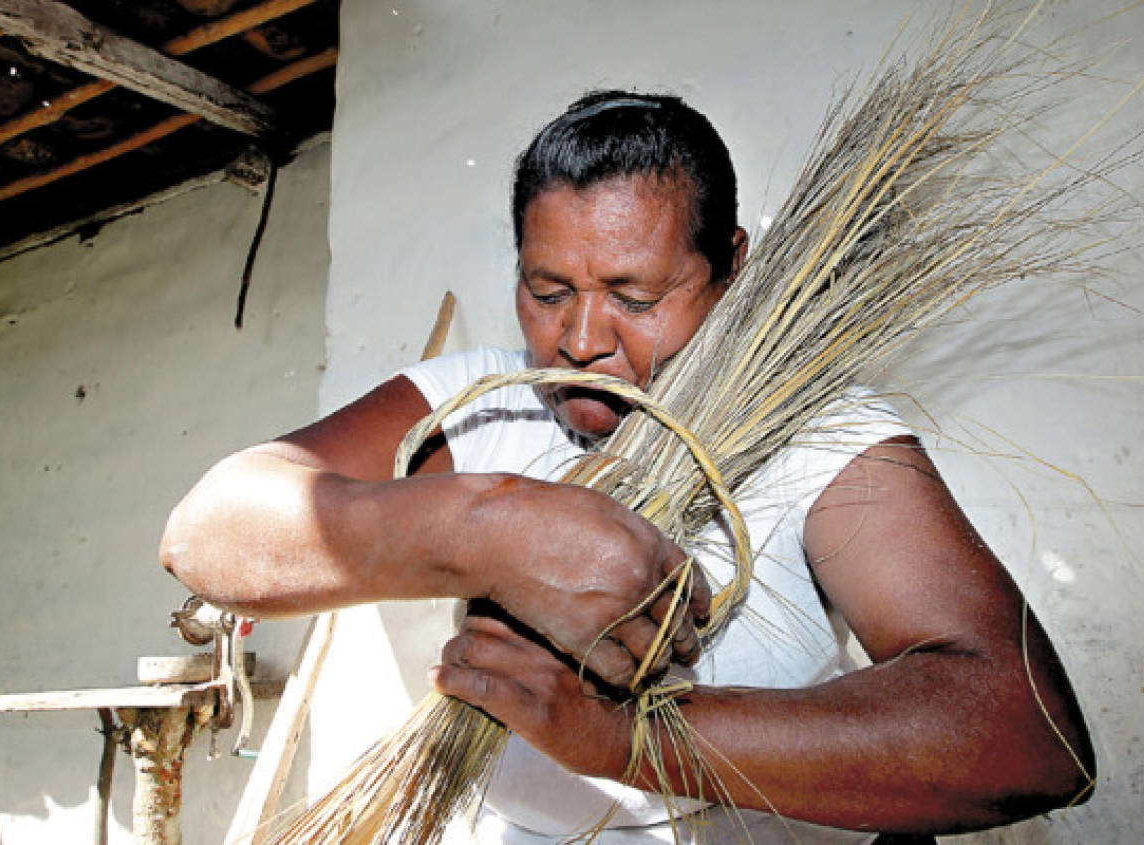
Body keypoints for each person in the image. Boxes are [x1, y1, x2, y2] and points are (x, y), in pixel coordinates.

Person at [160, 91, 1094, 843]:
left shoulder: (819, 431)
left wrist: (634, 741)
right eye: (545, 288)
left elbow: (1027, 736)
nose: (578, 338)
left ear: (731, 266)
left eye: (636, 296)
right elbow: (210, 530)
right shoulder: (489, 397)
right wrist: (479, 526)